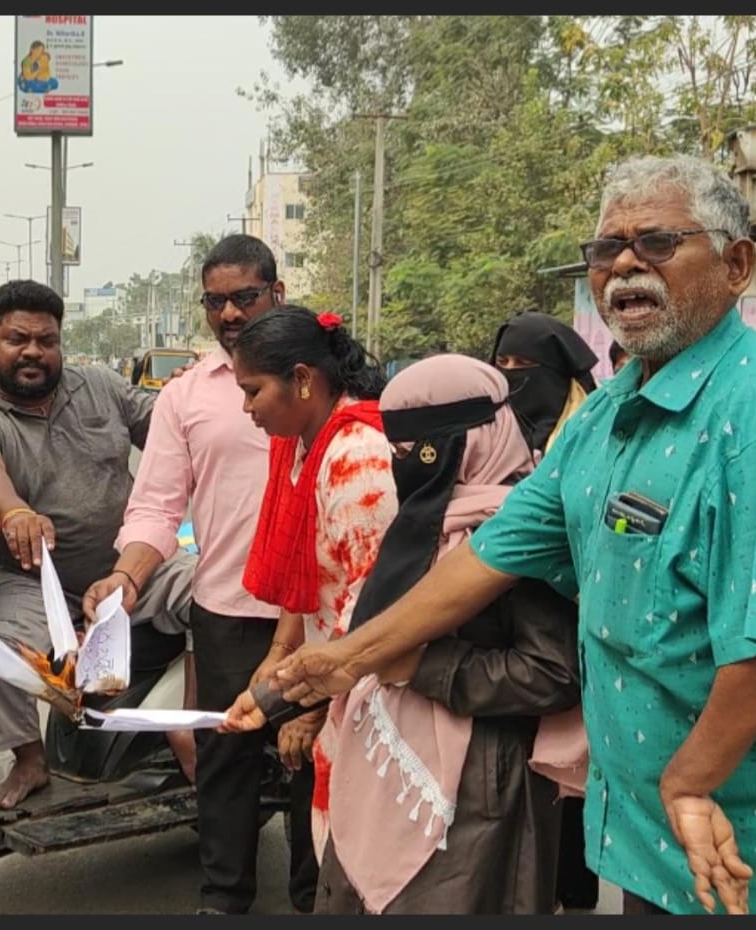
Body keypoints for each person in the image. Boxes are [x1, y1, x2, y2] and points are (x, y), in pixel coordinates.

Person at [267, 155, 756, 915]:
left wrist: (689, 781)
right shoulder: (604, 417)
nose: (626, 264)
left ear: (736, 266)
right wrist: (347, 659)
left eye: (658, 242)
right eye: (608, 249)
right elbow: (490, 557)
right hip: (653, 836)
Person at [228, 354, 582, 913]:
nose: (401, 464)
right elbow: (368, 640)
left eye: (415, 450)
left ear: (470, 441)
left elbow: (553, 673)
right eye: (394, 449)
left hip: (473, 799)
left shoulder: (521, 534)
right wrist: (276, 699)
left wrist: (423, 668)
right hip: (381, 768)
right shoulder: (423, 521)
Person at [82, 234, 319, 915]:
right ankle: (223, 900)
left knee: (319, 762)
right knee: (225, 762)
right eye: (215, 302)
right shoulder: (186, 395)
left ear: (277, 292)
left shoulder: (325, 379)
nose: (229, 314)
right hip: (228, 611)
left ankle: (316, 898)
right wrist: (127, 578)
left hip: (321, 613)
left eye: (244, 297)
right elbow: (156, 506)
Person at [0, 279, 197, 808]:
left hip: (133, 567)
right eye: (17, 339)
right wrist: (15, 512)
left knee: (218, 593)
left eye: (46, 340)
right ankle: (30, 760)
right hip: (32, 582)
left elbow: (171, 431)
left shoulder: (100, 386)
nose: (33, 351)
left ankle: (198, 724)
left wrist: (192, 398)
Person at [226, 306, 397, 864]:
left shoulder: (357, 458)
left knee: (361, 851)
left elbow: (371, 601)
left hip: (371, 684)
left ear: (302, 379)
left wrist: (308, 705)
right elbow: (311, 576)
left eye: (253, 391)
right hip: (335, 676)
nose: (247, 408)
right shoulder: (303, 443)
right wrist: (282, 655)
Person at [490, 308, 602, 912]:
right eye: (502, 364)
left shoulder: (590, 442)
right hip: (521, 647)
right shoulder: (494, 440)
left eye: (525, 366)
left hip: (581, 638)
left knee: (575, 785)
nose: (512, 377)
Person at [491, 310, 600, 454]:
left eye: (523, 363)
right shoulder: (486, 435)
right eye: (502, 362)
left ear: (555, 373)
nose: (509, 370)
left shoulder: (590, 436)